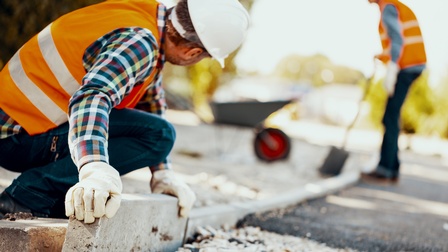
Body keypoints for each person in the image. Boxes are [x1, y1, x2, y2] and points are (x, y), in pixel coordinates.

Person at [0, 0, 250, 223]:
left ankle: (49, 197)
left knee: (158, 132)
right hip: (15, 136)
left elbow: (151, 102)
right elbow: (92, 97)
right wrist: (94, 167)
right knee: (160, 135)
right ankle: (28, 196)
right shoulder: (140, 42)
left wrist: (163, 172)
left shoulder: (145, 17)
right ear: (193, 52)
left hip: (19, 124)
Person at [361, 0, 426, 184]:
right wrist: (383, 56)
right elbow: (395, 43)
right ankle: (392, 168)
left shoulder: (389, 7)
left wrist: (392, 67)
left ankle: (385, 170)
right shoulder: (394, 6)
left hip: (407, 67)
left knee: (389, 116)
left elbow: (398, 39)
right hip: (411, 65)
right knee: (392, 115)